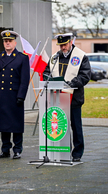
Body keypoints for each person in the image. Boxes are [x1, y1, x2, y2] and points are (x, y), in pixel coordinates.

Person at [43, 33, 91, 162]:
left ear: (70, 42)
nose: (63, 47)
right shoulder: (55, 57)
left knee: (76, 126)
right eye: (61, 45)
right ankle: (62, 152)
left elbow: (85, 75)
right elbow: (47, 72)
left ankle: (77, 153)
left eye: (65, 44)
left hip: (73, 98)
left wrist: (71, 84)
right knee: (60, 125)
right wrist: (48, 80)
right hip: (58, 98)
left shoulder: (81, 56)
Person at [0, 30, 30, 159]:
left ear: (15, 42)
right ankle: (5, 149)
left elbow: (25, 80)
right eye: (5, 41)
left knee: (16, 124)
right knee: (4, 124)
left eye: (9, 41)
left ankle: (17, 149)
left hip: (15, 96)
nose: (7, 43)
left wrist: (21, 96)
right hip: (2, 95)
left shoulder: (22, 58)